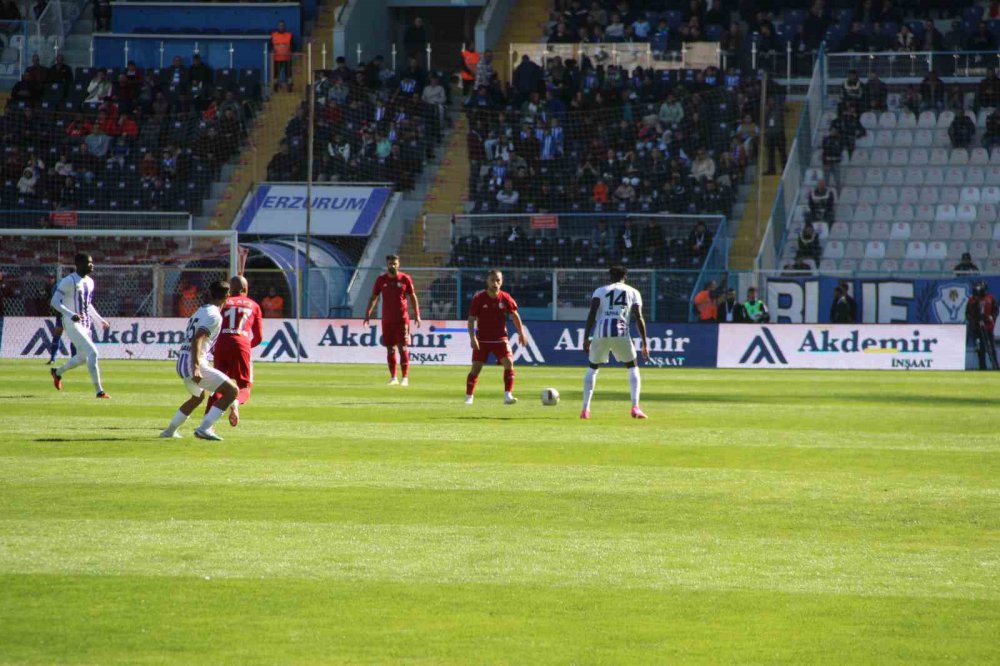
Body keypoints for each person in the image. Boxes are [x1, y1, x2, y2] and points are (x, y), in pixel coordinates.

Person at [160, 280, 240, 440]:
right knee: (232, 391)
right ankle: (204, 428)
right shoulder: (214, 315)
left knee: (198, 397)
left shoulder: (201, 310)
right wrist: (196, 366)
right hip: (192, 364)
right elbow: (197, 339)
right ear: (228, 296)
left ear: (210, 294)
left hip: (182, 362)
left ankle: (169, 431)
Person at [580, 265, 648, 420]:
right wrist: (645, 342)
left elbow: (592, 313)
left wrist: (585, 337)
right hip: (621, 331)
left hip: (601, 331)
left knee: (593, 368)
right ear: (626, 276)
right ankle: (635, 407)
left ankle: (585, 409)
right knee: (632, 366)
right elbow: (639, 317)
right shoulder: (633, 292)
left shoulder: (600, 291)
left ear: (609, 277)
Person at [49, 253, 111, 399]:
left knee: (83, 358)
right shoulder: (68, 281)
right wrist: (70, 314)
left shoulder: (90, 282)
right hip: (71, 323)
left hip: (85, 324)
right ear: (79, 264)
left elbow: (87, 305)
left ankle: (57, 372)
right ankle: (99, 391)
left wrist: (100, 320)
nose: (92, 265)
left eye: (92, 262)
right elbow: (54, 302)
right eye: (89, 263)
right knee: (93, 352)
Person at [206, 275, 263, 428]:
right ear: (245, 289)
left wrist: (213, 347)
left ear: (230, 289)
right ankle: (235, 402)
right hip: (241, 343)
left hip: (221, 344)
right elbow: (259, 337)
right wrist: (244, 348)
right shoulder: (254, 305)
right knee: (244, 386)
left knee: (218, 384)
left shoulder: (222, 303)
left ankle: (207, 423)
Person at [465, 269, 527, 405]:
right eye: (492, 280)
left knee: (509, 363)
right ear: (487, 281)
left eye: (498, 280)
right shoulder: (479, 298)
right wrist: (472, 337)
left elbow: (515, 316)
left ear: (502, 282)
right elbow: (471, 319)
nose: (495, 283)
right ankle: (469, 397)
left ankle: (507, 395)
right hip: (482, 339)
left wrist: (521, 333)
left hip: (500, 338)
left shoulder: (505, 298)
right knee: (476, 368)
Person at [364, 254, 421, 386]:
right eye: (390, 264)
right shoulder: (381, 280)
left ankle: (405, 377)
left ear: (398, 264)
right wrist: (367, 314)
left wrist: (417, 314)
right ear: (387, 264)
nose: (393, 266)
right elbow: (374, 297)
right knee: (390, 349)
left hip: (402, 320)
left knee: (403, 348)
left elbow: (412, 297)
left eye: (395, 264)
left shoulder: (405, 279)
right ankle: (393, 377)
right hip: (387, 320)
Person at [966, 280, 999, 370]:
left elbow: (995, 310)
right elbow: (968, 314)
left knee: (991, 348)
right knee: (980, 348)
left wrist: (992, 316)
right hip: (977, 328)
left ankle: (995, 366)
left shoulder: (990, 298)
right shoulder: (972, 300)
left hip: (988, 327)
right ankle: (982, 367)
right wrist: (975, 321)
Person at [271, 21, 294, 92]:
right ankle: (275, 88)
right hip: (276, 59)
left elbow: (293, 46)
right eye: (280, 25)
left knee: (288, 74)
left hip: (287, 58)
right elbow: (270, 46)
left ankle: (289, 87)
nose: (281, 27)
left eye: (282, 25)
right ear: (278, 26)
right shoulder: (273, 35)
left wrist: (291, 51)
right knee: (275, 74)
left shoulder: (289, 35)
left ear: (285, 26)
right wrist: (272, 50)